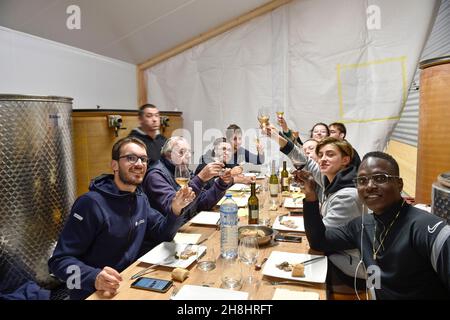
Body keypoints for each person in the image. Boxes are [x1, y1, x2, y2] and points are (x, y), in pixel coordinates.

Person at [48, 137, 193, 300]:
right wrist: (94, 277)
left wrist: (175, 210)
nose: (139, 164)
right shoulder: (90, 204)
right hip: (94, 292)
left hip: (128, 283)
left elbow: (163, 233)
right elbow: (58, 262)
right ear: (114, 165)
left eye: (144, 159)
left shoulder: (139, 199)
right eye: (131, 158)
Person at [300, 151, 450, 299]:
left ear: (399, 184)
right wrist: (311, 195)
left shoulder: (428, 230)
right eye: (362, 180)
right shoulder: (362, 225)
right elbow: (319, 240)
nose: (369, 186)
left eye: (379, 178)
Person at [263, 125, 364, 280]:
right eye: (321, 154)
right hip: (332, 253)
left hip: (346, 267)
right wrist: (277, 137)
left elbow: (319, 242)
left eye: (330, 155)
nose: (322, 159)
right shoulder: (331, 179)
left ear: (345, 160)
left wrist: (310, 196)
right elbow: (304, 161)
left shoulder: (347, 196)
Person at [142, 136, 234, 226]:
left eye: (189, 152)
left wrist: (221, 183)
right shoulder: (155, 176)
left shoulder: (183, 171)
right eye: (181, 152)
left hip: (188, 226)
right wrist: (200, 178)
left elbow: (201, 203)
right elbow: (175, 206)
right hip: (171, 233)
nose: (188, 156)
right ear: (169, 155)